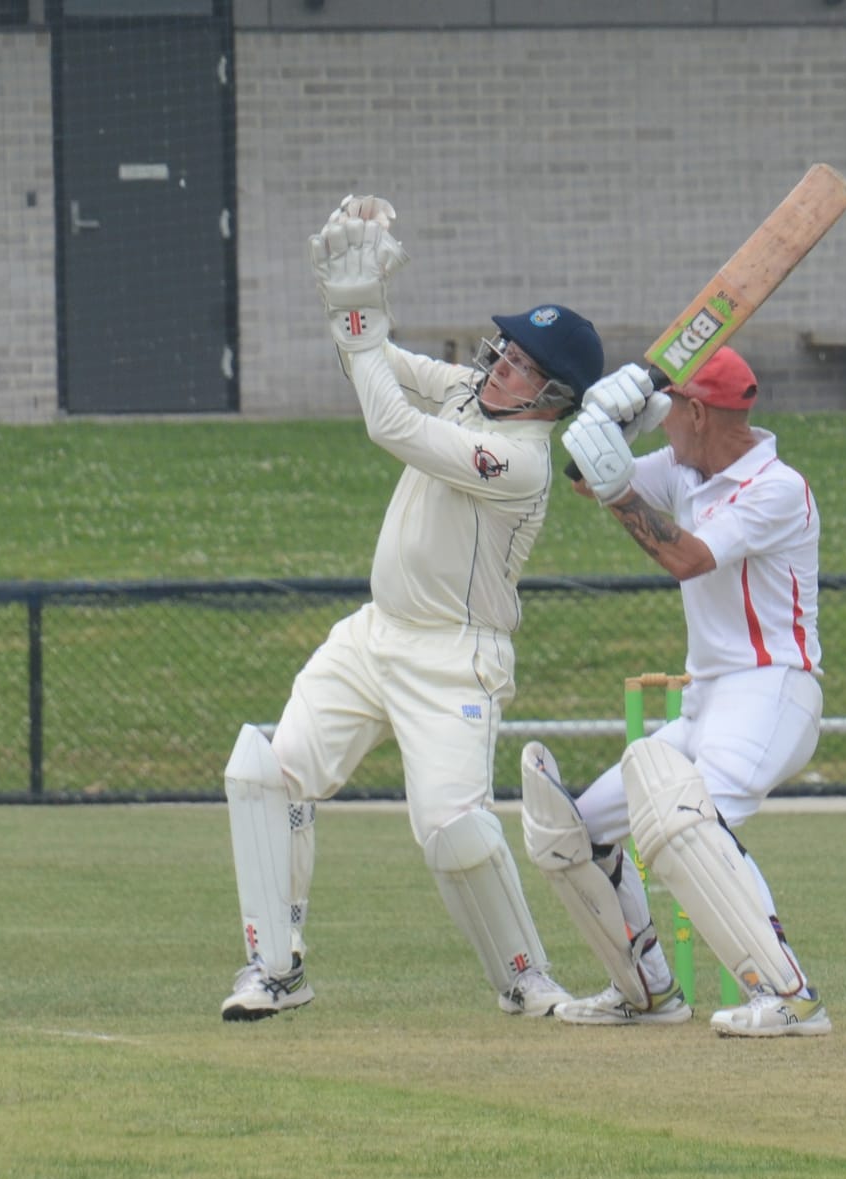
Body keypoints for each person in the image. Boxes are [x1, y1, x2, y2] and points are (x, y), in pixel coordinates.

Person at [220, 194, 603, 1022]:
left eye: (519, 366)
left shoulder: (519, 461)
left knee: (454, 832)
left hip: (454, 658)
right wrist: (352, 302)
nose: (498, 368)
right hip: (374, 634)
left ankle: (525, 980)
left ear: (551, 397)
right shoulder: (468, 391)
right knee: (266, 775)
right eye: (503, 352)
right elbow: (376, 361)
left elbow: (390, 424)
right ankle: (276, 969)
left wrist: (360, 323)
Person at [532, 347, 830, 1037]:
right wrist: (604, 423)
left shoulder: (777, 487)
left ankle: (790, 996)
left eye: (667, 411)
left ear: (698, 412)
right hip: (706, 700)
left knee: (694, 828)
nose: (662, 423)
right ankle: (648, 991)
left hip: (771, 690)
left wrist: (619, 491)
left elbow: (687, 559)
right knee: (578, 832)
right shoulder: (686, 467)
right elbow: (585, 479)